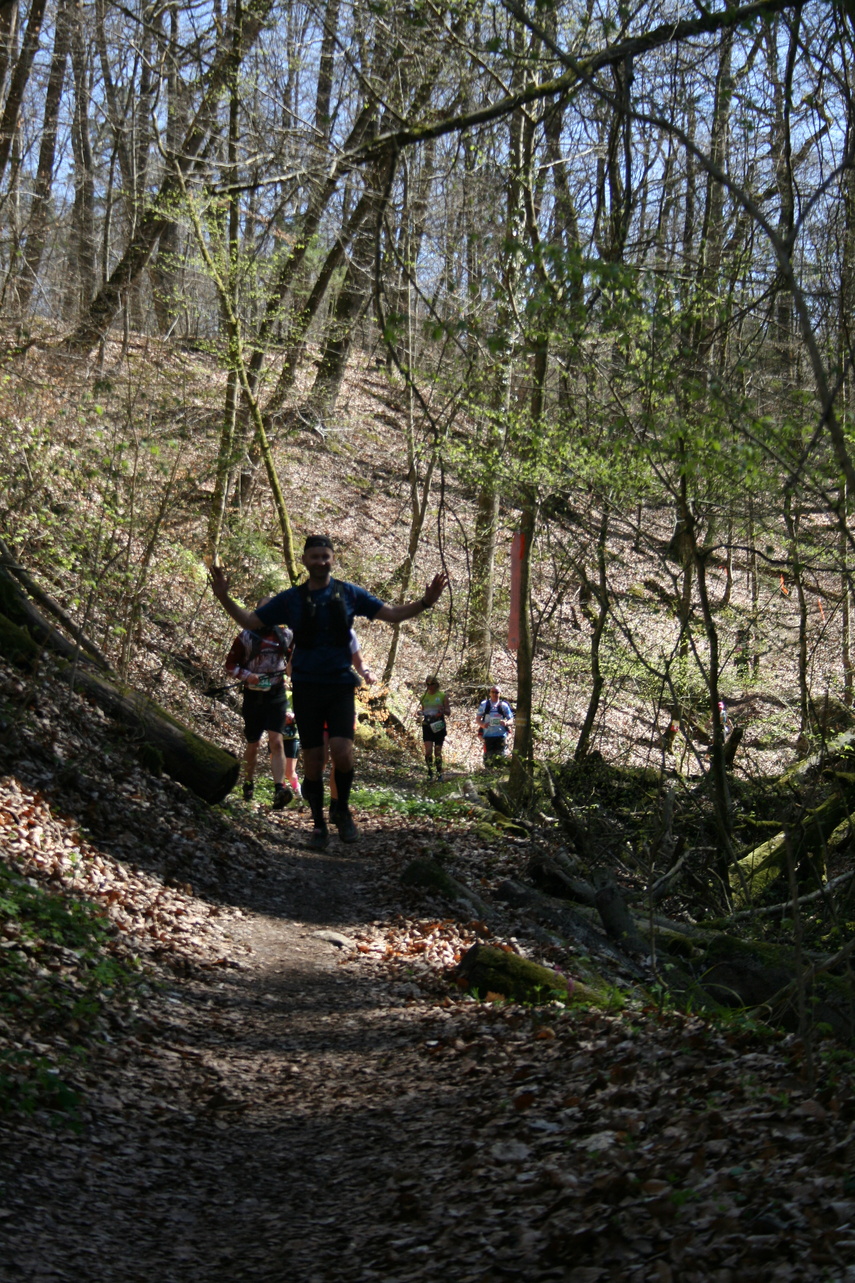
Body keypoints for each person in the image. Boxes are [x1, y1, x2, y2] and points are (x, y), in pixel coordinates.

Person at [210, 536, 447, 848]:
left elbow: (391, 614)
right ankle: (319, 825)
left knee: (343, 751)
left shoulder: (348, 593)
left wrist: (426, 602)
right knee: (314, 759)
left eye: (325, 556)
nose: (321, 561)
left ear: (333, 559)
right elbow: (250, 620)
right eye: (315, 556)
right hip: (307, 687)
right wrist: (224, 597)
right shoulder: (291, 599)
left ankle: (341, 810)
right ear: (305, 561)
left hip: (339, 685)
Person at [224, 598, 294, 809]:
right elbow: (230, 665)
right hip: (253, 697)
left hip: (276, 694)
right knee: (253, 743)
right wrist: (248, 676)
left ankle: (279, 789)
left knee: (277, 741)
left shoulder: (286, 635)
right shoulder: (245, 637)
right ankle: (248, 781)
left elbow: (294, 659)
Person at [417, 676, 450, 782]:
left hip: (438, 725)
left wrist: (443, 710)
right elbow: (423, 710)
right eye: (428, 684)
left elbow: (448, 712)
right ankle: (430, 772)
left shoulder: (442, 696)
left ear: (436, 684)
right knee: (428, 751)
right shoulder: (423, 697)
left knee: (437, 752)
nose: (430, 686)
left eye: (432, 684)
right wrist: (420, 713)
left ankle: (439, 773)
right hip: (427, 725)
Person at [477, 685, 514, 766]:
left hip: (501, 736)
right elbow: (478, 719)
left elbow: (511, 720)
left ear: (500, 694)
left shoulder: (504, 705)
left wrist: (506, 723)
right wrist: (483, 725)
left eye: (496, 692)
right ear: (489, 693)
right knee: (488, 761)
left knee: (501, 760)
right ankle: (488, 773)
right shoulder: (484, 705)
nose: (494, 694)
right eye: (492, 692)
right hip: (488, 736)